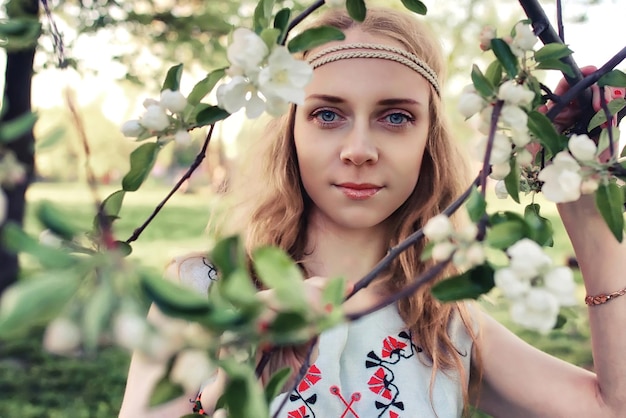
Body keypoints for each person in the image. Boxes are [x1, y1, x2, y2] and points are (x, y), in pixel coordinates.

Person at [119, 6, 626, 418]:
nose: (359, 148)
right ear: (292, 129)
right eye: (328, 114)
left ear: (428, 138)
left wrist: (584, 201)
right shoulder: (200, 290)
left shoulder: (445, 323)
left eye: (396, 116)